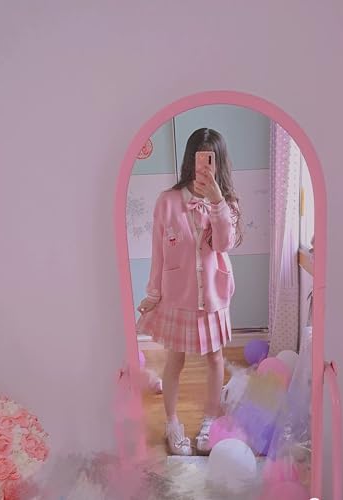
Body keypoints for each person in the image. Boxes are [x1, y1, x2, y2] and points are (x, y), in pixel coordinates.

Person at [136, 128, 242, 455]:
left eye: (210, 159)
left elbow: (222, 245)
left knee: (215, 358)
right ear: (189, 160)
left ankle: (210, 419)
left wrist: (217, 203)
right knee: (175, 359)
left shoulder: (226, 203)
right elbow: (158, 252)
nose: (203, 167)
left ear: (218, 162)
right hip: (178, 297)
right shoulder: (167, 202)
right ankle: (172, 423)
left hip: (213, 297)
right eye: (199, 158)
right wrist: (153, 294)